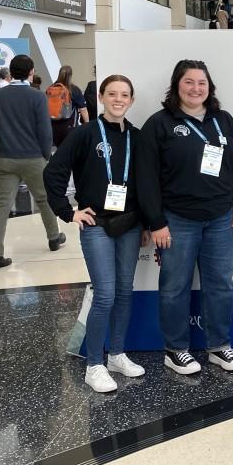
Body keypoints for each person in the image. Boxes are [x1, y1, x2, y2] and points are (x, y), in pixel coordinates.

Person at [45, 74, 155, 392]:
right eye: (112, 94)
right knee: (105, 294)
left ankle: (117, 354)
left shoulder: (137, 137)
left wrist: (146, 224)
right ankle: (94, 364)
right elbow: (53, 171)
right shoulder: (85, 134)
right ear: (102, 98)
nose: (118, 99)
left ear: (131, 100)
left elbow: (145, 186)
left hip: (131, 225)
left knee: (124, 291)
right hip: (96, 227)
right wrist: (68, 212)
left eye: (124, 94)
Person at [141, 59, 233, 375]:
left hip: (221, 219)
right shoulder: (160, 124)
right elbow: (145, 177)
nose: (195, 88)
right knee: (174, 286)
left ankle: (219, 347)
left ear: (209, 87)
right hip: (177, 220)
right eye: (189, 82)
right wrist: (156, 221)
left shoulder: (224, 121)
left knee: (220, 285)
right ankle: (175, 350)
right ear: (177, 85)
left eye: (201, 83)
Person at [0, 54, 65, 271]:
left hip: (3, 158)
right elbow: (44, 130)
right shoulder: (37, 96)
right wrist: (45, 155)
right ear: (31, 72)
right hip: (32, 158)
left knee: (2, 205)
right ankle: (53, 237)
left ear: (11, 72)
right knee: (43, 198)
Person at [47, 65, 90, 148]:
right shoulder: (74, 89)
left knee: (59, 150)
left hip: (53, 128)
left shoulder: (50, 89)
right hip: (69, 127)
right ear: (70, 76)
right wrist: (87, 125)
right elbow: (83, 109)